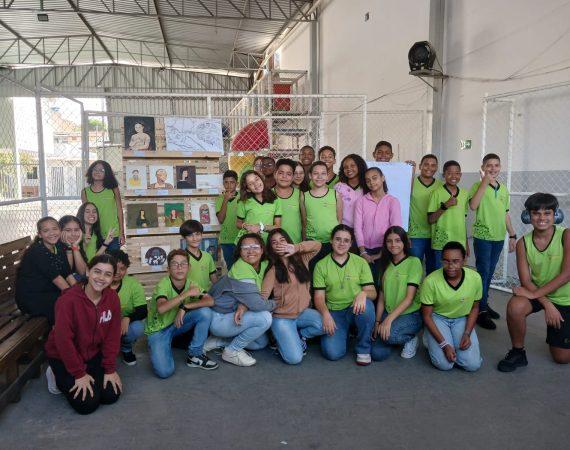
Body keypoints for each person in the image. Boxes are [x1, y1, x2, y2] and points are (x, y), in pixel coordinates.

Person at [498, 193, 570, 372]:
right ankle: (518, 353)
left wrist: (536, 295)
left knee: (562, 358)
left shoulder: (566, 235)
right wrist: (547, 304)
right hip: (540, 293)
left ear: (556, 215)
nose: (541, 218)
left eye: (547, 213)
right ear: (527, 216)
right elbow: (526, 281)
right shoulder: (523, 243)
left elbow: (567, 274)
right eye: (536, 213)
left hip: (565, 298)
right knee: (515, 306)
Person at [44, 254, 122, 415]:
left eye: (107, 274)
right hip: (63, 356)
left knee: (110, 395)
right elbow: (63, 341)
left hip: (92, 352)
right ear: (87, 271)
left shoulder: (112, 298)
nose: (101, 278)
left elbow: (112, 336)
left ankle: (87, 372)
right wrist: (79, 374)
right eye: (97, 271)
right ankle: (54, 373)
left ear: (113, 278)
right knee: (87, 404)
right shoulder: (67, 300)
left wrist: (110, 369)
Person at [145, 249, 218, 379]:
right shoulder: (163, 284)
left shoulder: (191, 283)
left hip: (176, 324)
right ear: (168, 269)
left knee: (205, 312)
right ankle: (158, 344)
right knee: (165, 372)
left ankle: (195, 355)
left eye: (183, 263)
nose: (179, 267)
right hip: (159, 330)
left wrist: (185, 307)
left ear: (189, 267)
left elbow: (210, 301)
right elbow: (162, 308)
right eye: (175, 264)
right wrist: (186, 294)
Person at [205, 233, 274, 367]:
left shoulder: (264, 264)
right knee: (265, 317)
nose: (250, 251)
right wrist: (278, 303)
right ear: (240, 252)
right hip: (219, 318)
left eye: (255, 247)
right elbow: (257, 304)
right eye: (245, 248)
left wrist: (244, 305)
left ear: (262, 249)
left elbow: (251, 298)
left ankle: (220, 341)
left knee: (260, 343)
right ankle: (232, 351)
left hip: (233, 313)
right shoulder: (241, 268)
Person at [313, 225, 377, 365]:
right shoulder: (321, 265)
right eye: (338, 239)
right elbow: (319, 297)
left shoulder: (360, 262)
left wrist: (363, 293)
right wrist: (325, 314)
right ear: (331, 240)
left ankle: (363, 348)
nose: (342, 243)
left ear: (351, 243)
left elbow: (373, 293)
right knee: (332, 353)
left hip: (356, 309)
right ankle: (346, 333)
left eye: (346, 240)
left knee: (367, 306)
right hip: (335, 312)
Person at [469, 153, 517, 330]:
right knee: (483, 272)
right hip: (483, 237)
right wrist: (484, 182)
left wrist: (512, 234)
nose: (493, 168)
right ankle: (479, 311)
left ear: (500, 167)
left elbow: (505, 214)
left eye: (496, 165)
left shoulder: (503, 189)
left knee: (489, 273)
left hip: (498, 237)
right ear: (483, 167)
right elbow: (473, 206)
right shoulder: (477, 186)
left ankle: (484, 304)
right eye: (489, 165)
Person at [262, 229, 324, 365]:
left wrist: (296, 248)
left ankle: (301, 336)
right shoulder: (272, 269)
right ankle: (279, 339)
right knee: (294, 359)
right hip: (282, 318)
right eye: (274, 242)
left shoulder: (302, 259)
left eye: (282, 240)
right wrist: (268, 312)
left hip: (302, 313)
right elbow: (263, 297)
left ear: (288, 241)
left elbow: (318, 245)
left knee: (327, 324)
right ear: (271, 248)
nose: (279, 244)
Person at [420, 241, 483, 372]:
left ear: (464, 260)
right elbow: (426, 316)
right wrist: (444, 345)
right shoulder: (430, 281)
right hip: (438, 318)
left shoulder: (475, 278)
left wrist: (467, 333)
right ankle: (430, 337)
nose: (451, 266)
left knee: (472, 365)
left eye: (456, 261)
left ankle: (450, 341)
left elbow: (475, 308)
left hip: (461, 318)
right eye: (446, 261)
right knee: (445, 365)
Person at [372, 226, 423, 361]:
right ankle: (392, 335)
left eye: (397, 240)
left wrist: (388, 320)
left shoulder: (414, 262)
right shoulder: (385, 264)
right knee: (376, 353)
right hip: (388, 312)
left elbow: (409, 299)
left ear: (405, 242)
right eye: (389, 241)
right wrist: (377, 322)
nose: (393, 244)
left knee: (390, 336)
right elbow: (381, 297)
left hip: (409, 314)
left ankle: (411, 338)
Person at [15, 217, 75, 325]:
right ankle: (61, 333)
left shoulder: (58, 246)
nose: (51, 233)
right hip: (31, 297)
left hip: (49, 291)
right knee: (69, 304)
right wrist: (78, 298)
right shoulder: (37, 251)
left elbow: (67, 273)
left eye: (54, 229)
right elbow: (58, 280)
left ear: (60, 230)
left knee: (75, 299)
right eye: (46, 230)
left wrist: (80, 292)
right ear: (40, 234)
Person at [354, 167, 402, 282]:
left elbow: (395, 229)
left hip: (386, 249)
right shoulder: (361, 201)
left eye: (374, 178)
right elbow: (357, 227)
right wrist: (363, 252)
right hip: (364, 249)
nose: (371, 182)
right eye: (368, 180)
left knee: (383, 282)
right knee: (366, 281)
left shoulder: (392, 201)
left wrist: (382, 253)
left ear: (382, 178)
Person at [107, 250, 147, 366]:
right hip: (104, 323)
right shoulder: (100, 282)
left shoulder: (133, 284)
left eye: (122, 268)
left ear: (126, 269)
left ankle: (126, 348)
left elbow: (143, 310)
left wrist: (127, 318)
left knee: (138, 327)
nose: (117, 272)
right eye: (114, 267)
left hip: (123, 325)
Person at [428, 160, 469, 269]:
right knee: (440, 273)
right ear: (444, 175)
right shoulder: (436, 193)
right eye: (449, 173)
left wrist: (466, 244)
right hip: (441, 244)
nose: (453, 176)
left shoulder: (465, 194)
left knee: (456, 272)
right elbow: (430, 219)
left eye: (457, 173)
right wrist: (445, 205)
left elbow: (463, 221)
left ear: (460, 175)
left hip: (459, 243)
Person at [303, 161, 342, 271]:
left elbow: (339, 219)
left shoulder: (335, 194)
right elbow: (304, 222)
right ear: (310, 175)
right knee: (312, 271)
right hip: (312, 241)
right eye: (316, 173)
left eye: (323, 173)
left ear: (327, 176)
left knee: (330, 272)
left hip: (331, 242)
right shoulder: (304, 196)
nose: (319, 177)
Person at [408, 154, 441, 275]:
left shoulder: (441, 186)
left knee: (433, 270)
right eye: (426, 164)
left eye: (433, 165)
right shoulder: (410, 183)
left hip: (435, 235)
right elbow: (403, 206)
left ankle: (428, 288)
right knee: (414, 270)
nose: (429, 168)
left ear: (436, 168)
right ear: (420, 166)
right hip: (415, 235)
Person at [81, 160, 124, 250]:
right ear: (91, 171)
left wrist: (121, 232)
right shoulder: (85, 192)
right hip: (95, 235)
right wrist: (87, 233)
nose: (97, 172)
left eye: (102, 170)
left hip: (113, 234)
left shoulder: (113, 189)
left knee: (113, 258)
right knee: (97, 258)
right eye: (95, 169)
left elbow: (120, 211)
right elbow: (85, 215)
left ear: (107, 173)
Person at [236, 170, 282, 243]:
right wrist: (246, 226)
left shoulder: (275, 200)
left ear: (261, 179)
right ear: (248, 189)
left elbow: (278, 227)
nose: (256, 184)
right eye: (251, 183)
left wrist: (261, 227)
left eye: (257, 179)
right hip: (248, 242)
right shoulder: (243, 202)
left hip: (268, 242)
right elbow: (238, 223)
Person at [180, 220, 218, 292]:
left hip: (206, 296)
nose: (194, 238)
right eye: (190, 235)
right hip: (187, 297)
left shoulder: (207, 256)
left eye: (197, 234)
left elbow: (214, 280)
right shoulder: (181, 258)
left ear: (202, 234)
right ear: (184, 237)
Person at [273, 158, 305, 244]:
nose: (284, 177)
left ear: (293, 176)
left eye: (289, 174)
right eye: (281, 173)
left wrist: (303, 243)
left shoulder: (299, 194)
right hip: (273, 245)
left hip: (295, 244)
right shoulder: (268, 195)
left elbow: (304, 222)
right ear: (275, 174)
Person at [215, 170, 240, 270]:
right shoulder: (219, 199)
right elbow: (221, 219)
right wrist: (225, 199)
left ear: (237, 183)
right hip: (226, 241)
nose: (229, 185)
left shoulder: (243, 197)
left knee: (242, 268)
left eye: (232, 182)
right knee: (231, 269)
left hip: (240, 239)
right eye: (226, 182)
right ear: (223, 183)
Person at [335, 154, 367, 228]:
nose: (349, 169)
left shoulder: (368, 186)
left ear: (359, 166)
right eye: (345, 167)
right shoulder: (338, 187)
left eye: (352, 166)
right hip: (343, 229)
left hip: (364, 229)